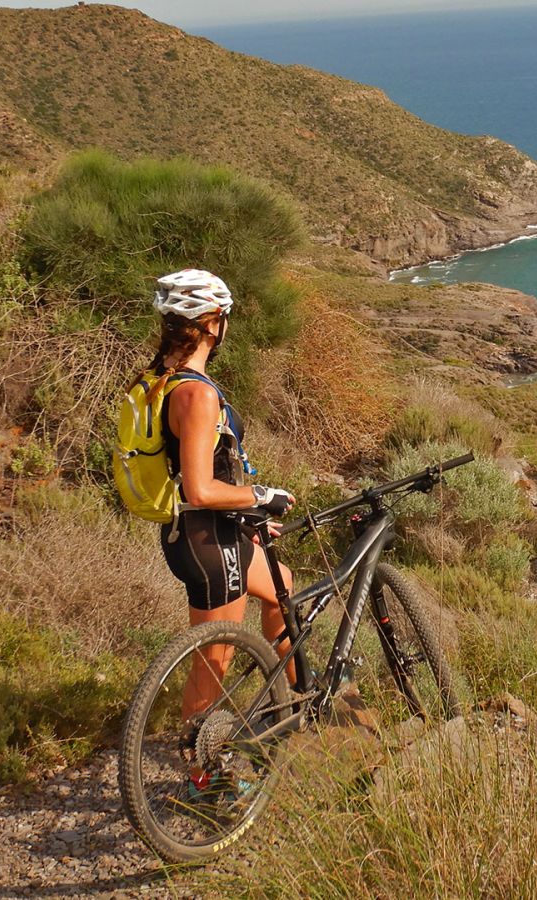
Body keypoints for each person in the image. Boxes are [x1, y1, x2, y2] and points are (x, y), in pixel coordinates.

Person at [136, 269, 296, 797]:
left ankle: (292, 706)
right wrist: (260, 498)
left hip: (210, 532)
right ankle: (204, 780)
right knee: (214, 665)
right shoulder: (196, 395)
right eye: (222, 318)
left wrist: (246, 515)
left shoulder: (159, 376)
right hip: (208, 542)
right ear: (211, 323)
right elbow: (201, 488)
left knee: (284, 589)